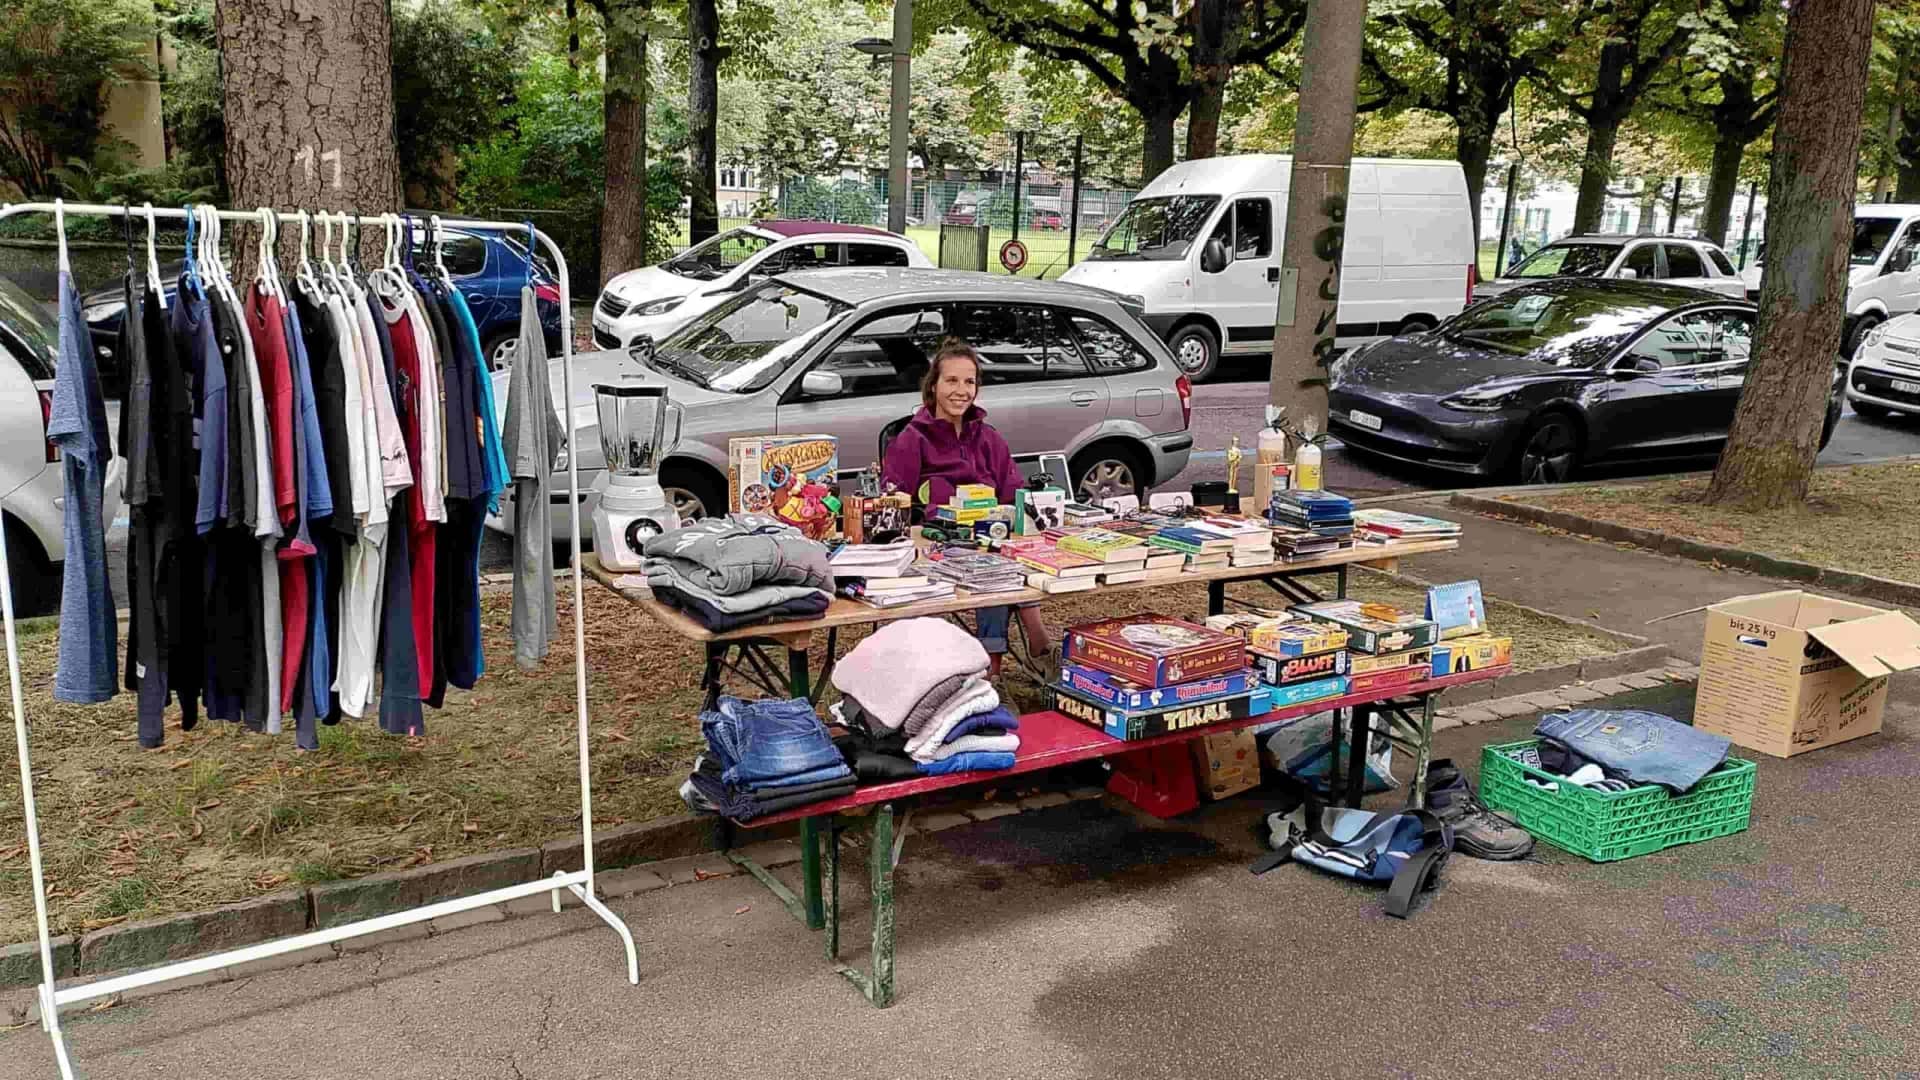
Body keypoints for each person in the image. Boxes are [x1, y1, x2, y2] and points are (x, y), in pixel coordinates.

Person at [882, 337, 1049, 674]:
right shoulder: (912, 439)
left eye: (969, 382)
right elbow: (894, 502)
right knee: (991, 568)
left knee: (1002, 557)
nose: (961, 391)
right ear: (933, 386)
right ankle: (1014, 657)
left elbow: (1013, 492)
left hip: (993, 535)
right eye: (952, 380)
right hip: (939, 543)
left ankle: (1008, 660)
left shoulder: (989, 437)